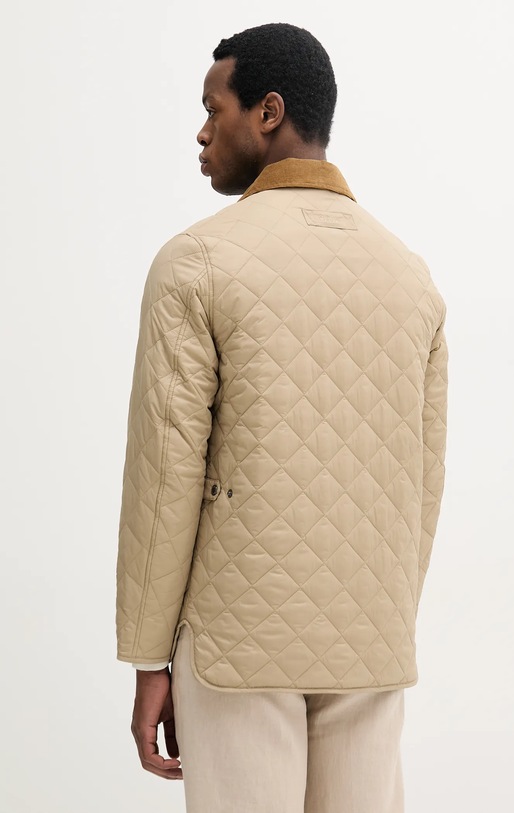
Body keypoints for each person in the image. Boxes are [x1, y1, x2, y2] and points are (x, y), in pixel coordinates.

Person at [115, 22, 449, 813]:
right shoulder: (411, 277)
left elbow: (165, 478)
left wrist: (148, 657)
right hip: (371, 639)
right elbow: (423, 480)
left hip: (238, 644)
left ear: (268, 112)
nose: (202, 132)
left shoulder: (197, 262)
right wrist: (386, 613)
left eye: (213, 108)